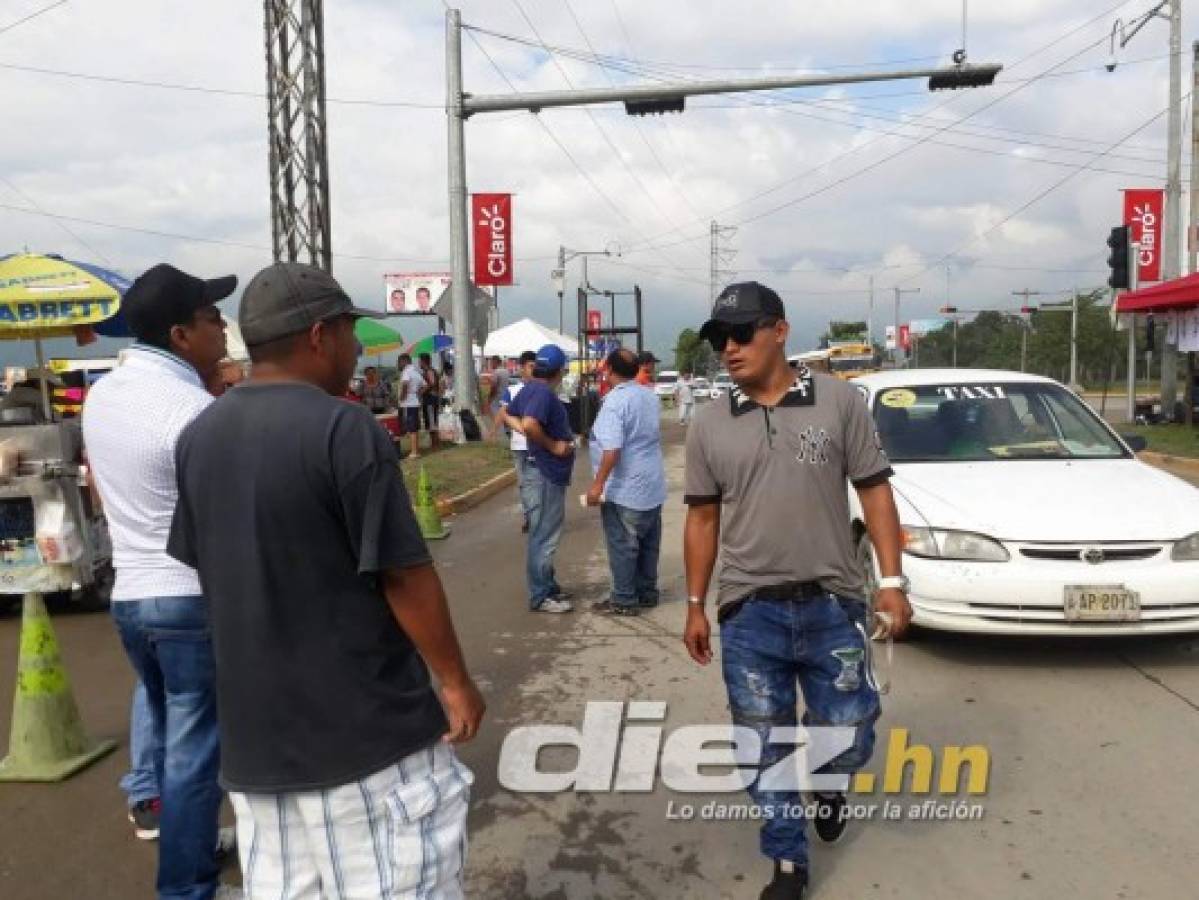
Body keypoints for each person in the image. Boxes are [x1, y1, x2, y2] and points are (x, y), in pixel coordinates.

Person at [167, 262, 485, 899]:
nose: (357, 346)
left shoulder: (199, 437)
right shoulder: (344, 429)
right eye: (349, 331)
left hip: (259, 755)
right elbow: (405, 576)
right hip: (365, 744)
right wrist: (455, 682)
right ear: (320, 336)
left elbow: (209, 567)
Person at [681, 282, 912, 900]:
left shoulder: (839, 403)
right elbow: (702, 517)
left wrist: (890, 582)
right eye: (718, 339)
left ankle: (831, 784)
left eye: (741, 334)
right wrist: (695, 605)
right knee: (761, 744)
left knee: (852, 729)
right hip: (749, 612)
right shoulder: (708, 424)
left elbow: (875, 492)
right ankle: (787, 861)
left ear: (779, 331)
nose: (728, 348)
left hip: (833, 604)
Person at [81, 263, 237, 899]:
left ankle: (191, 841)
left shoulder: (103, 394)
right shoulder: (195, 409)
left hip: (129, 600)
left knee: (174, 735)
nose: (221, 326)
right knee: (196, 753)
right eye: (209, 317)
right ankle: (187, 888)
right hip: (186, 598)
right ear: (179, 334)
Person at [586, 349, 667, 616]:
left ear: (608, 369)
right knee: (648, 544)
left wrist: (597, 485)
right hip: (652, 484)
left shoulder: (614, 403)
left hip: (626, 488)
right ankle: (646, 592)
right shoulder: (649, 396)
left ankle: (623, 599)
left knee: (623, 546)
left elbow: (612, 450)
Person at [502, 345, 576, 613]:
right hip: (545, 472)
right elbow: (531, 424)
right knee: (544, 535)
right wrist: (554, 446)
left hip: (541, 471)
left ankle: (546, 584)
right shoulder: (543, 393)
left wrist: (525, 429)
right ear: (559, 371)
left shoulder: (530, 388)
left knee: (541, 532)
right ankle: (541, 594)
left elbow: (508, 415)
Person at [498, 350, 538, 533]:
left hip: (538, 444)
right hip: (520, 446)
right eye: (530, 366)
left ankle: (538, 515)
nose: (534, 370)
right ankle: (529, 516)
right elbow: (504, 414)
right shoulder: (511, 391)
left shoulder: (542, 389)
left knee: (538, 482)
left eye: (536, 366)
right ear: (521, 368)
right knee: (523, 483)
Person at [397, 352, 425, 458]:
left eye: (399, 362)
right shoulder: (416, 372)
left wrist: (402, 397)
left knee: (412, 428)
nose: (398, 364)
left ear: (404, 361)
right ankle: (415, 450)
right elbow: (425, 385)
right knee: (414, 427)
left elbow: (405, 384)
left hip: (408, 403)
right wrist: (417, 393)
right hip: (414, 401)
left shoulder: (406, 372)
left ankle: (414, 452)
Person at [419, 352, 442, 448]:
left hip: (430, 400)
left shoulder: (429, 371)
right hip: (430, 399)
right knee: (431, 421)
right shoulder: (429, 371)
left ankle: (435, 444)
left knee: (432, 422)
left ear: (423, 361)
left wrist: (422, 391)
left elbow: (432, 383)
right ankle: (435, 443)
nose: (419, 363)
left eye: (420, 361)